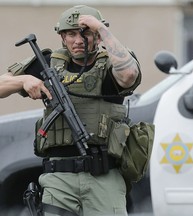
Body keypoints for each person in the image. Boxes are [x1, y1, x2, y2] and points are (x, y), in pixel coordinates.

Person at [0, 5, 141, 216]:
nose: (78, 40)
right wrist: (24, 80)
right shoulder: (48, 64)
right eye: (71, 34)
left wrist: (101, 28)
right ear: (62, 37)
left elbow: (129, 74)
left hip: (104, 176)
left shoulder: (112, 63)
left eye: (86, 34)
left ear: (98, 37)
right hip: (58, 177)